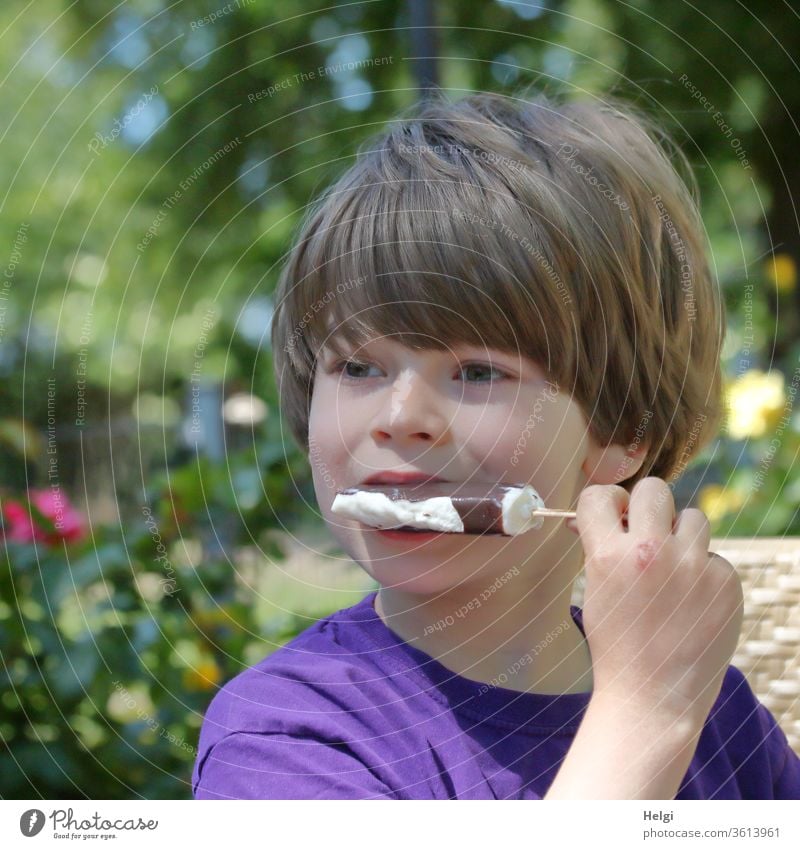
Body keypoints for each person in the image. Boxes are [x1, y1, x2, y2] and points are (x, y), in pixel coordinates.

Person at [192, 88, 800, 799]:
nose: (400, 415)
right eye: (358, 366)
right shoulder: (288, 739)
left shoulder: (715, 712)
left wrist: (667, 699)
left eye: (477, 371)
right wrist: (644, 717)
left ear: (624, 431)